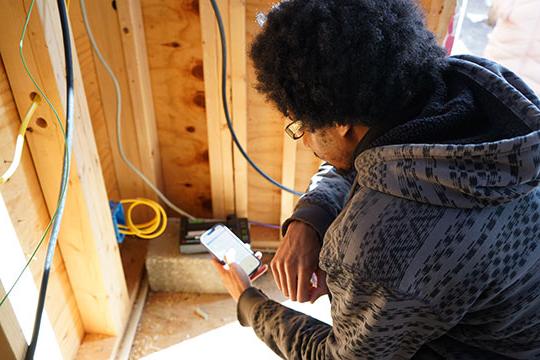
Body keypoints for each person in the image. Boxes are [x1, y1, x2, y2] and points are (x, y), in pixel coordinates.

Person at [211, 0, 540, 358]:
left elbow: (338, 357)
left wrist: (249, 303)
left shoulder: (377, 246)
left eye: (303, 126)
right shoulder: (473, 91)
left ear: (339, 120)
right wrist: (312, 216)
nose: (306, 141)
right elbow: (360, 160)